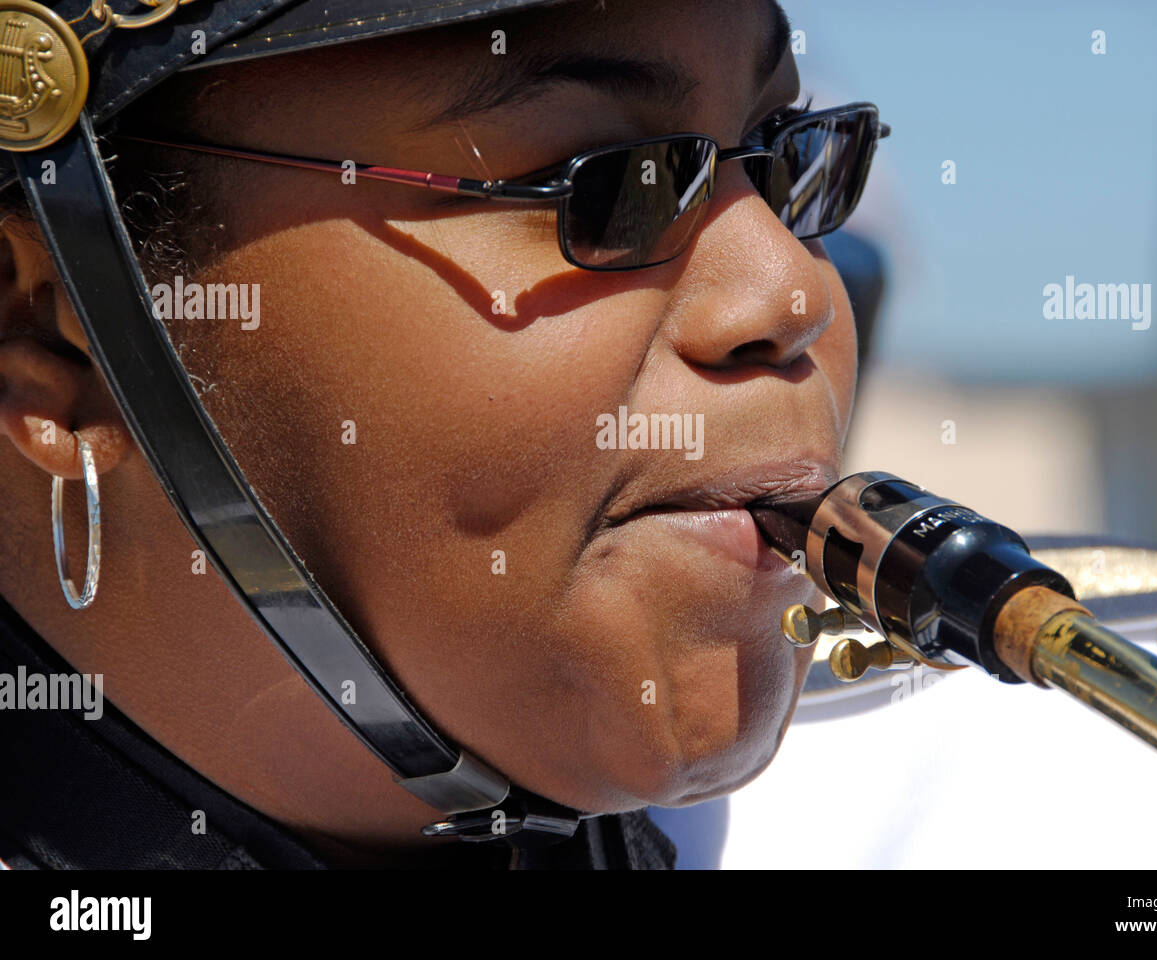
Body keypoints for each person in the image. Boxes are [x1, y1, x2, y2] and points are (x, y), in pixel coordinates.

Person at [0, 0, 887, 868]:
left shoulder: (958, 800)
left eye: (788, 156)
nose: (796, 294)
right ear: (51, 335)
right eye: (612, 179)